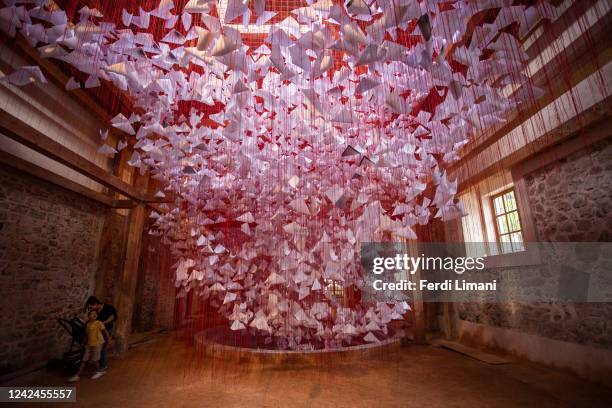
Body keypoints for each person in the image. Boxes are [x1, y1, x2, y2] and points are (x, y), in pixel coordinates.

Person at [69, 310, 108, 382]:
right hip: (89, 344)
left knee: (95, 359)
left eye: (95, 314)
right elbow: (87, 335)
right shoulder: (88, 325)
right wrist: (83, 342)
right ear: (89, 316)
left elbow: (104, 331)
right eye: (92, 314)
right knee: (84, 360)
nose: (94, 315)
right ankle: (77, 375)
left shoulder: (99, 323)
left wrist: (108, 340)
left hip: (97, 343)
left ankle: (99, 371)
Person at [85, 296, 118, 371]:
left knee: (103, 348)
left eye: (91, 306)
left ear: (96, 303)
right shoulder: (96, 311)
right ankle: (99, 364)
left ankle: (104, 365)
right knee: (98, 347)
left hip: (107, 329)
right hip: (98, 331)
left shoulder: (108, 307)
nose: (91, 309)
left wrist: (102, 323)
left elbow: (113, 317)